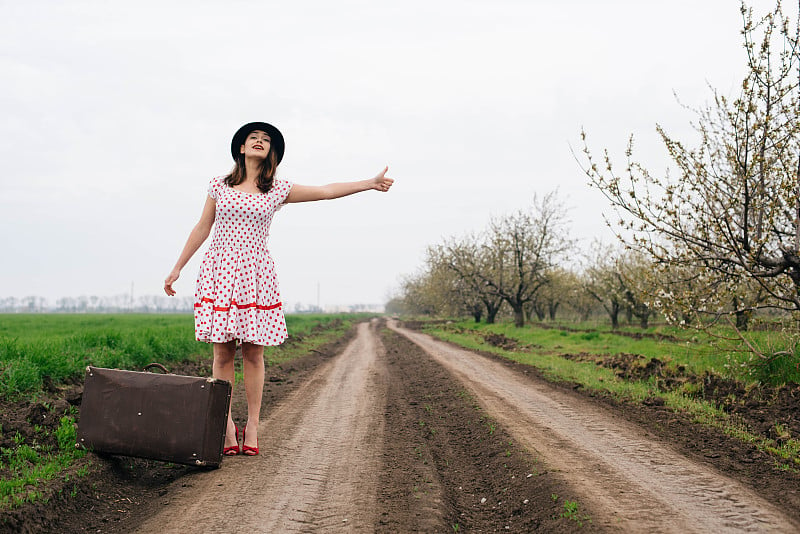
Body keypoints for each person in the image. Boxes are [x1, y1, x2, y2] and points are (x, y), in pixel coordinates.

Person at [163, 121, 393, 456]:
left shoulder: (277, 189)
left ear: (272, 152)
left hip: (256, 274)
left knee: (253, 352)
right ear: (241, 148)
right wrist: (177, 267)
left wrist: (369, 183)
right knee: (222, 352)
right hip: (220, 271)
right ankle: (226, 425)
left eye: (265, 139)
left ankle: (253, 425)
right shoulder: (218, 185)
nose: (258, 141)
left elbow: (326, 191)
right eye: (252, 138)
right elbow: (202, 227)